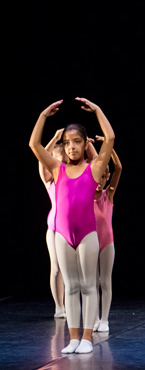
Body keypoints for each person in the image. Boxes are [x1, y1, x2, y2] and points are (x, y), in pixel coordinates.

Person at [29, 98, 116, 354]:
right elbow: (34, 145)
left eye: (77, 141)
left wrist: (98, 110)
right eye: (67, 143)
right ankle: (74, 338)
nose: (71, 147)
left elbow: (110, 139)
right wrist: (43, 116)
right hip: (62, 235)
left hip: (88, 233)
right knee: (71, 285)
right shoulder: (57, 168)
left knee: (88, 285)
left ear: (85, 143)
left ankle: (88, 337)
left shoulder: (95, 168)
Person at [92, 143, 121, 333]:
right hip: (91, 241)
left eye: (104, 177)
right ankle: (93, 318)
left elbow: (118, 168)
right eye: (98, 176)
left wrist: (109, 148)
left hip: (107, 242)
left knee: (105, 281)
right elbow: (93, 163)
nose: (100, 181)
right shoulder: (85, 195)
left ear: (107, 177)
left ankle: (104, 319)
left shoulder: (108, 194)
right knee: (91, 283)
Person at [40, 128, 66, 318]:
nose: (60, 162)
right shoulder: (50, 179)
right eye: (57, 158)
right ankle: (59, 306)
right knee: (56, 267)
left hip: (74, 226)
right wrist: (55, 138)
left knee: (71, 270)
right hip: (56, 226)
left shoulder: (74, 174)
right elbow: (41, 157)